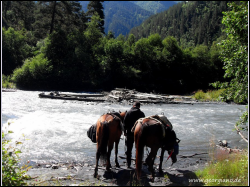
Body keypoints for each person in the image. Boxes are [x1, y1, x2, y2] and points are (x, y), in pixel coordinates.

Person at [123, 101, 145, 168]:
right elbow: (144, 124)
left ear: (133, 105)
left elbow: (124, 123)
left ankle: (128, 164)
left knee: (129, 149)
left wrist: (124, 132)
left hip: (130, 134)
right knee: (138, 149)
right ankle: (137, 163)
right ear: (139, 106)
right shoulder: (141, 113)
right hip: (139, 135)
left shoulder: (129, 112)